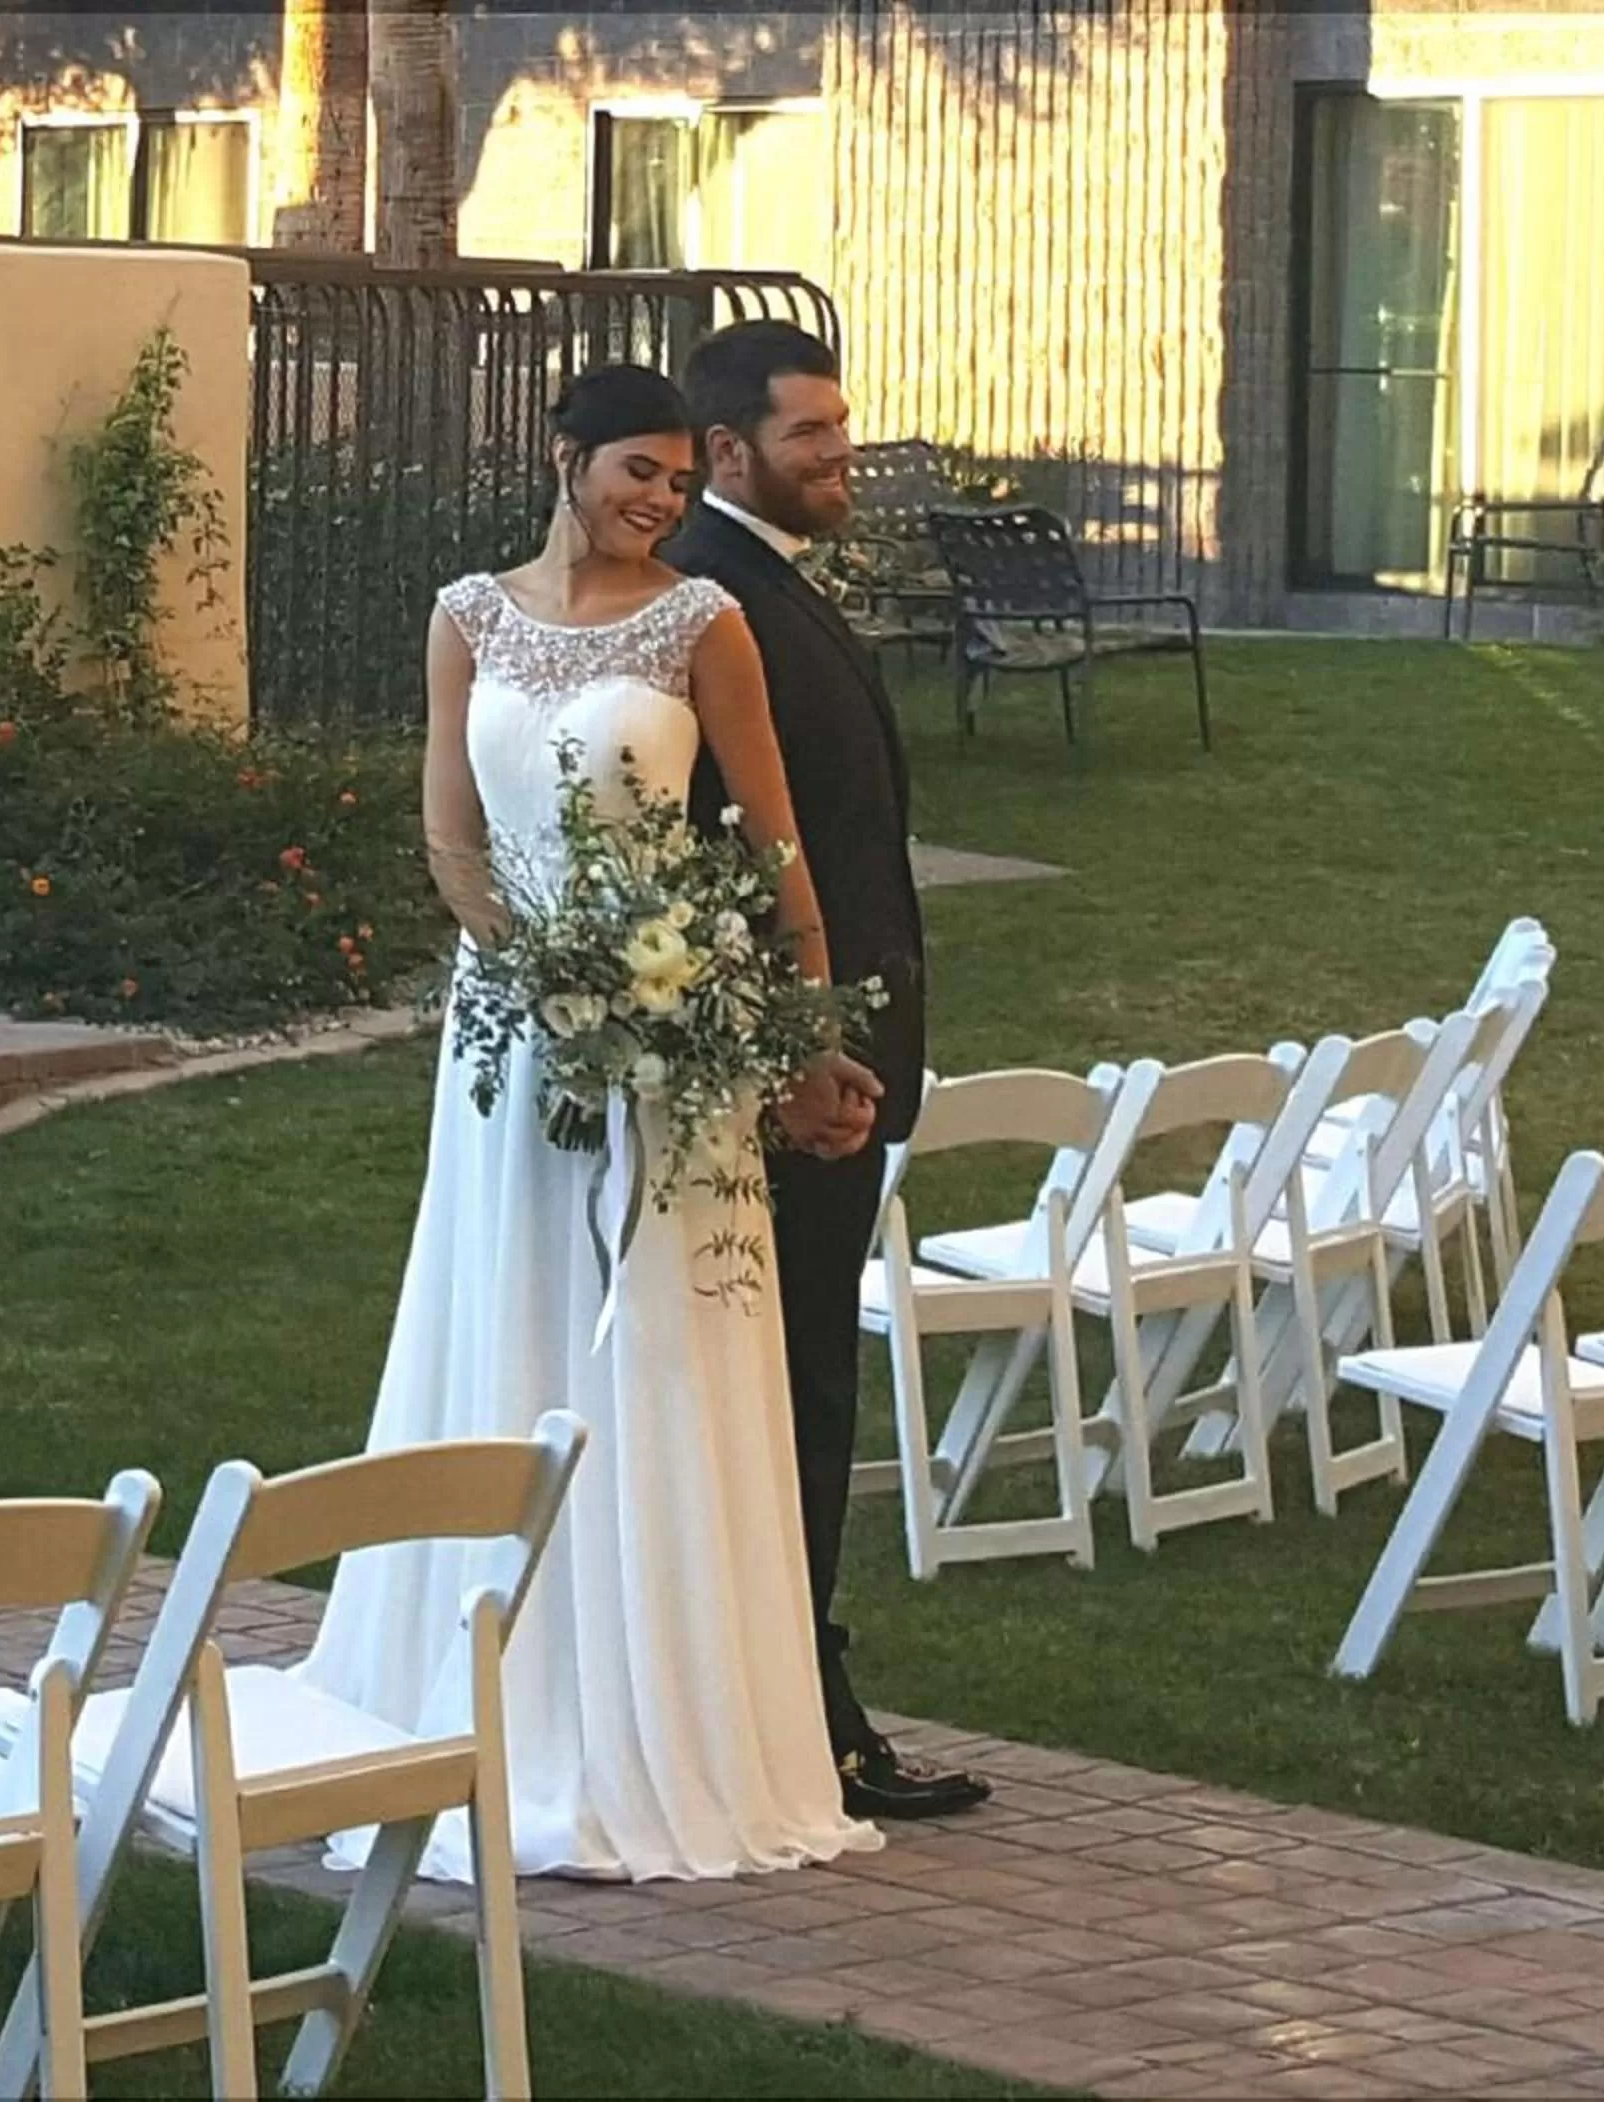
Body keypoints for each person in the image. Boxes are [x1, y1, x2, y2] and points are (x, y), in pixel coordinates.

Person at [295, 364, 882, 1882]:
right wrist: (542, 969)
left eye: (684, 483)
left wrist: (801, 1023)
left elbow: (769, 838)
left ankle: (661, 1712)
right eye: (640, 470)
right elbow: (450, 829)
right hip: (513, 1029)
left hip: (671, 1038)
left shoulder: (704, 625)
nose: (662, 501)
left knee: (657, 1355)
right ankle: (483, 1677)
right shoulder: (466, 615)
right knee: (507, 1320)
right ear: (565, 457)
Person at [666, 321, 992, 1821]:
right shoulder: (711, 605)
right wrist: (798, 1046)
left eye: (842, 429)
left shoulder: (766, 589)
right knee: (796, 1386)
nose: (840, 456)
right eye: (813, 437)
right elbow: (728, 853)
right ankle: (813, 1715)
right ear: (729, 450)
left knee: (804, 1379)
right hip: (795, 1081)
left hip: (841, 1058)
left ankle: (796, 1695)